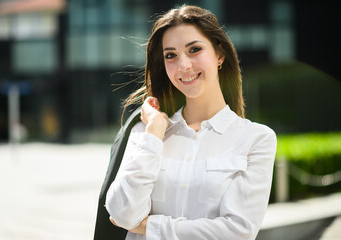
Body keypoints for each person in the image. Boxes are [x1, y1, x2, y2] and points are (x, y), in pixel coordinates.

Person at [105, 4, 277, 240]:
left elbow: (237, 232)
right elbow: (123, 215)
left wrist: (149, 227)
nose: (183, 65)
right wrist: (153, 135)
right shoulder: (146, 132)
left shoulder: (256, 139)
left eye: (194, 49)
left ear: (219, 54)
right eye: (170, 55)